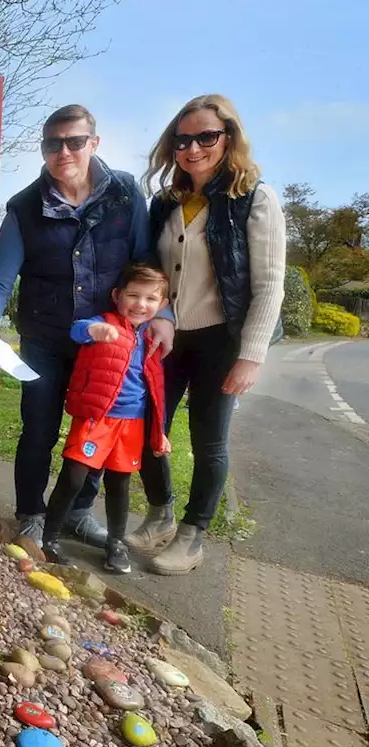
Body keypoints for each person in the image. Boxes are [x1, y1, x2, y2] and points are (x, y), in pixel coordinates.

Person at [0, 104, 171, 548]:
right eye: (53, 143)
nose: (64, 151)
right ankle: (31, 515)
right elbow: (1, 277)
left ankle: (78, 512)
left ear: (93, 143)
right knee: (38, 426)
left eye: (75, 141)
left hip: (108, 344)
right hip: (44, 336)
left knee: (99, 424)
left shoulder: (125, 194)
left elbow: (146, 265)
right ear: (43, 149)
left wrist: (163, 317)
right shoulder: (23, 207)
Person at [126, 94, 285, 574]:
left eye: (206, 137)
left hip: (223, 338)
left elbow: (270, 282)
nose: (193, 148)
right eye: (182, 139)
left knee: (208, 441)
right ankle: (160, 515)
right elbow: (155, 270)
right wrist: (160, 315)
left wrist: (251, 354)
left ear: (228, 139)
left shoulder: (256, 198)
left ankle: (192, 535)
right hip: (169, 337)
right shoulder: (166, 201)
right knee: (148, 428)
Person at [40, 263, 172, 574]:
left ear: (162, 305)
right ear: (117, 296)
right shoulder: (104, 323)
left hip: (132, 425)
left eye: (151, 299)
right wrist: (93, 330)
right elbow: (79, 330)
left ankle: (116, 543)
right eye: (133, 295)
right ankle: (48, 538)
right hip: (96, 419)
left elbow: (156, 390)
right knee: (74, 477)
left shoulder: (153, 337)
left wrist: (160, 432)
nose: (141, 304)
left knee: (120, 484)